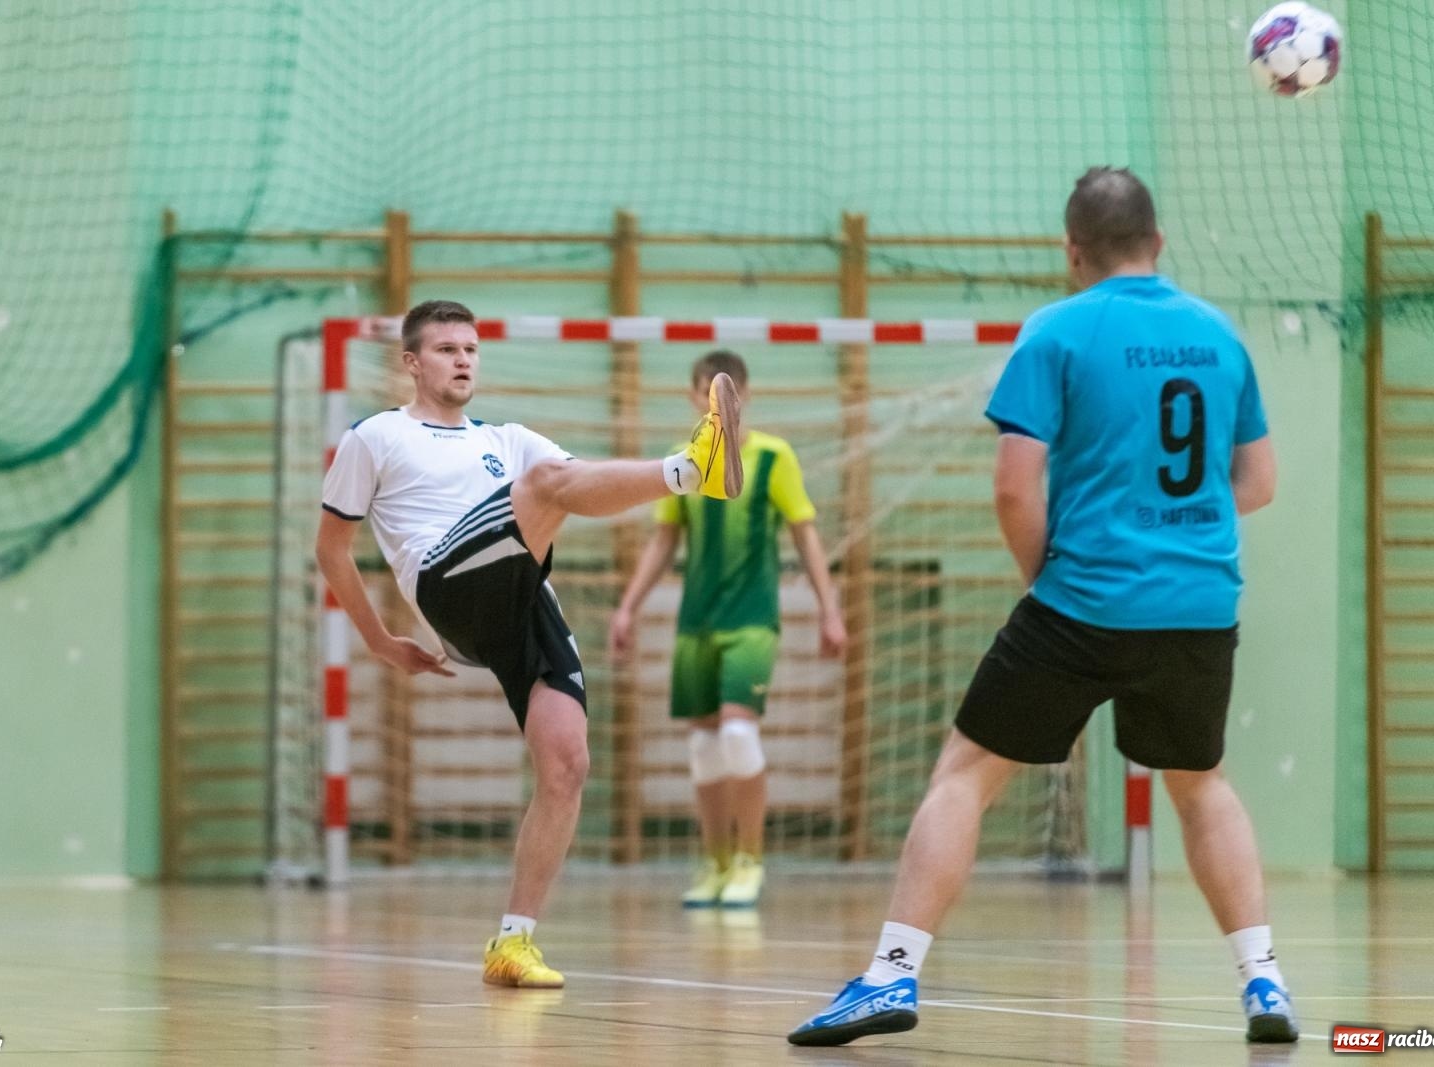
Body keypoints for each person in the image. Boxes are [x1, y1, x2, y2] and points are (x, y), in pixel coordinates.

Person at [788, 167, 1295, 1046]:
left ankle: (890, 975)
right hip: (1200, 604)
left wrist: (1046, 578)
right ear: (1158, 241)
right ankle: (1264, 981)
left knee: (964, 775)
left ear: (1071, 250)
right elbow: (1258, 481)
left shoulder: (1056, 331)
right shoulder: (1220, 335)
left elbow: (1013, 488)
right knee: (1199, 783)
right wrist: (1173, 528)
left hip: (1082, 600)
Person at [316, 299, 742, 989]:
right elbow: (331, 548)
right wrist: (379, 640)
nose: (462, 360)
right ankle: (693, 472)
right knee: (546, 484)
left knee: (567, 762)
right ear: (412, 362)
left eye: (470, 349)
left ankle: (512, 943)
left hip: (519, 598)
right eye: (447, 349)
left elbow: (581, 483)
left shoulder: (507, 439)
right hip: (445, 584)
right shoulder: (375, 437)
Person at [611, 351, 845, 909]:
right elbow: (664, 540)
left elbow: (805, 534)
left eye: (728, 394)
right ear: (693, 398)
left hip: (752, 619)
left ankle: (750, 861)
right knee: (704, 745)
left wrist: (829, 609)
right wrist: (628, 608)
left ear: (746, 395)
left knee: (738, 734)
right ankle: (715, 864)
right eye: (708, 394)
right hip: (696, 621)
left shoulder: (774, 457)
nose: (718, 403)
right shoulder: (682, 462)